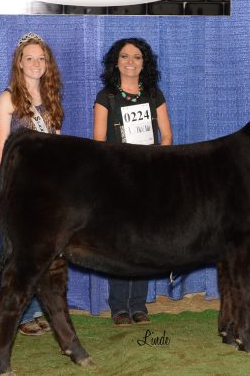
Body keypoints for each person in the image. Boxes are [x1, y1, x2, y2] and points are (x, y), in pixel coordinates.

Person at [93, 38, 173, 326]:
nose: (130, 62)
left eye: (137, 57)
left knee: (145, 244)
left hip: (148, 179)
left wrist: (156, 167)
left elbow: (166, 136)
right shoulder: (106, 97)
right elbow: (99, 143)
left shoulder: (154, 94)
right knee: (119, 245)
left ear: (144, 63)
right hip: (118, 180)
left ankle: (139, 305)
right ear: (116, 62)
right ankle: (118, 307)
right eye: (124, 56)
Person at [0, 32, 64, 335]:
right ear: (19, 64)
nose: (36, 63)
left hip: (50, 190)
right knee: (22, 254)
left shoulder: (51, 99)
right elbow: (2, 149)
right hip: (23, 192)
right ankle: (21, 316)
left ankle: (38, 311)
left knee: (46, 252)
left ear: (47, 63)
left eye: (41, 58)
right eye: (30, 58)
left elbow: (59, 148)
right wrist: (12, 190)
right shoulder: (9, 97)